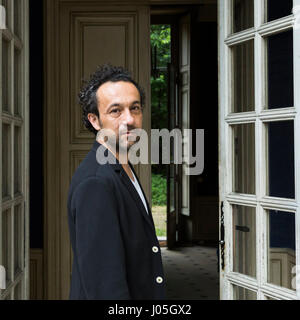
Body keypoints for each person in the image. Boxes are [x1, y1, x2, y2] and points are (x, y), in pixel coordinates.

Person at [67, 64, 166, 300]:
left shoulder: (121, 166)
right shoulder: (96, 183)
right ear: (95, 120)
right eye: (116, 111)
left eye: (135, 108)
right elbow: (105, 287)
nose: (129, 119)